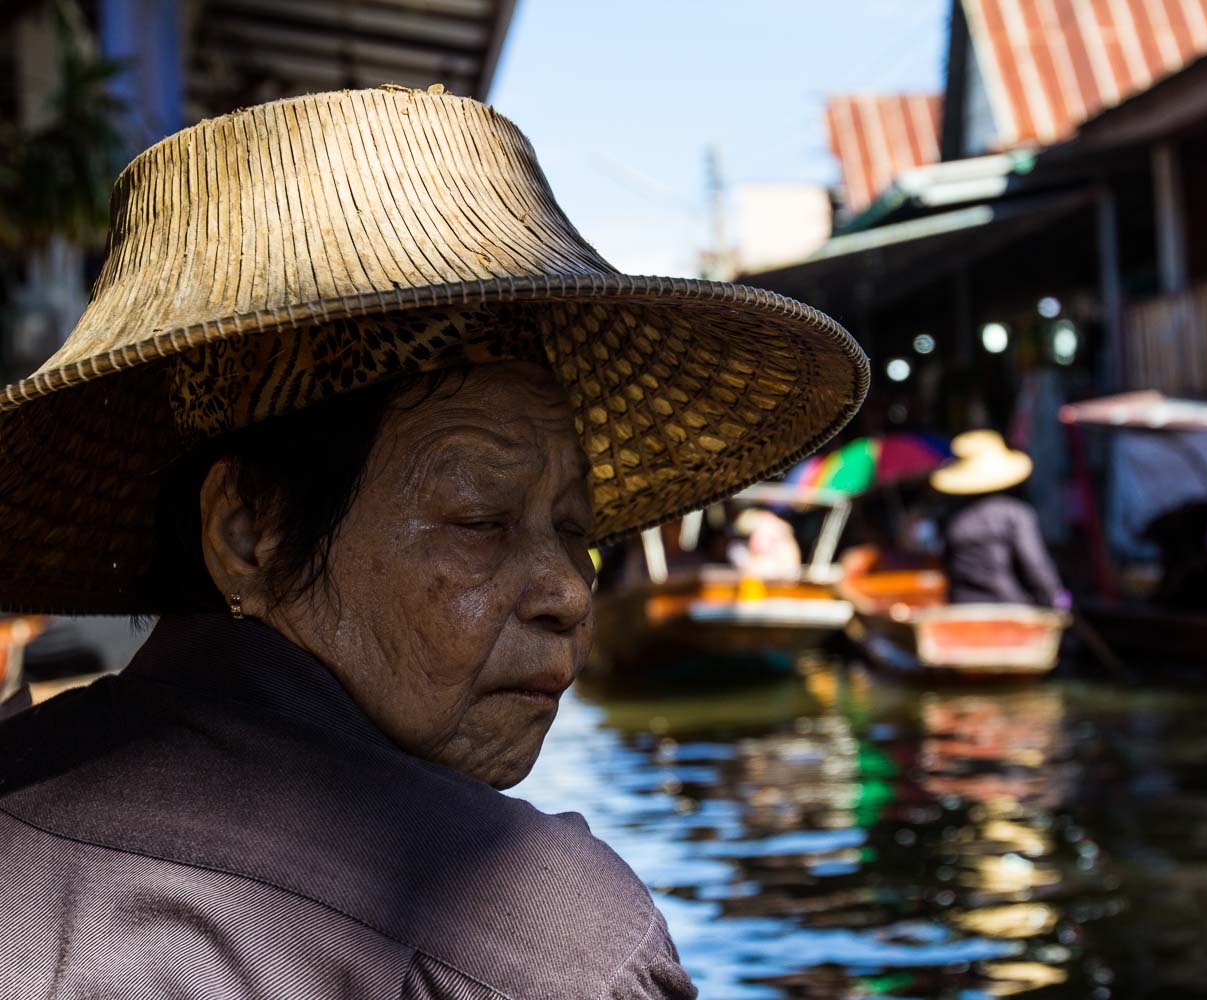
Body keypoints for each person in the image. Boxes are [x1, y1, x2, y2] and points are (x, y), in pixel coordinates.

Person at [0, 87, 867, 997]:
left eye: (576, 529)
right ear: (250, 531)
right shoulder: (545, 944)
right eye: (481, 521)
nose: (569, 591)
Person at [930, 430, 1067, 607]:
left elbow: (945, 561)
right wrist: (1054, 598)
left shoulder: (952, 516)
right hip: (1007, 605)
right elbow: (1035, 564)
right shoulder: (1015, 513)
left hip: (961, 604)